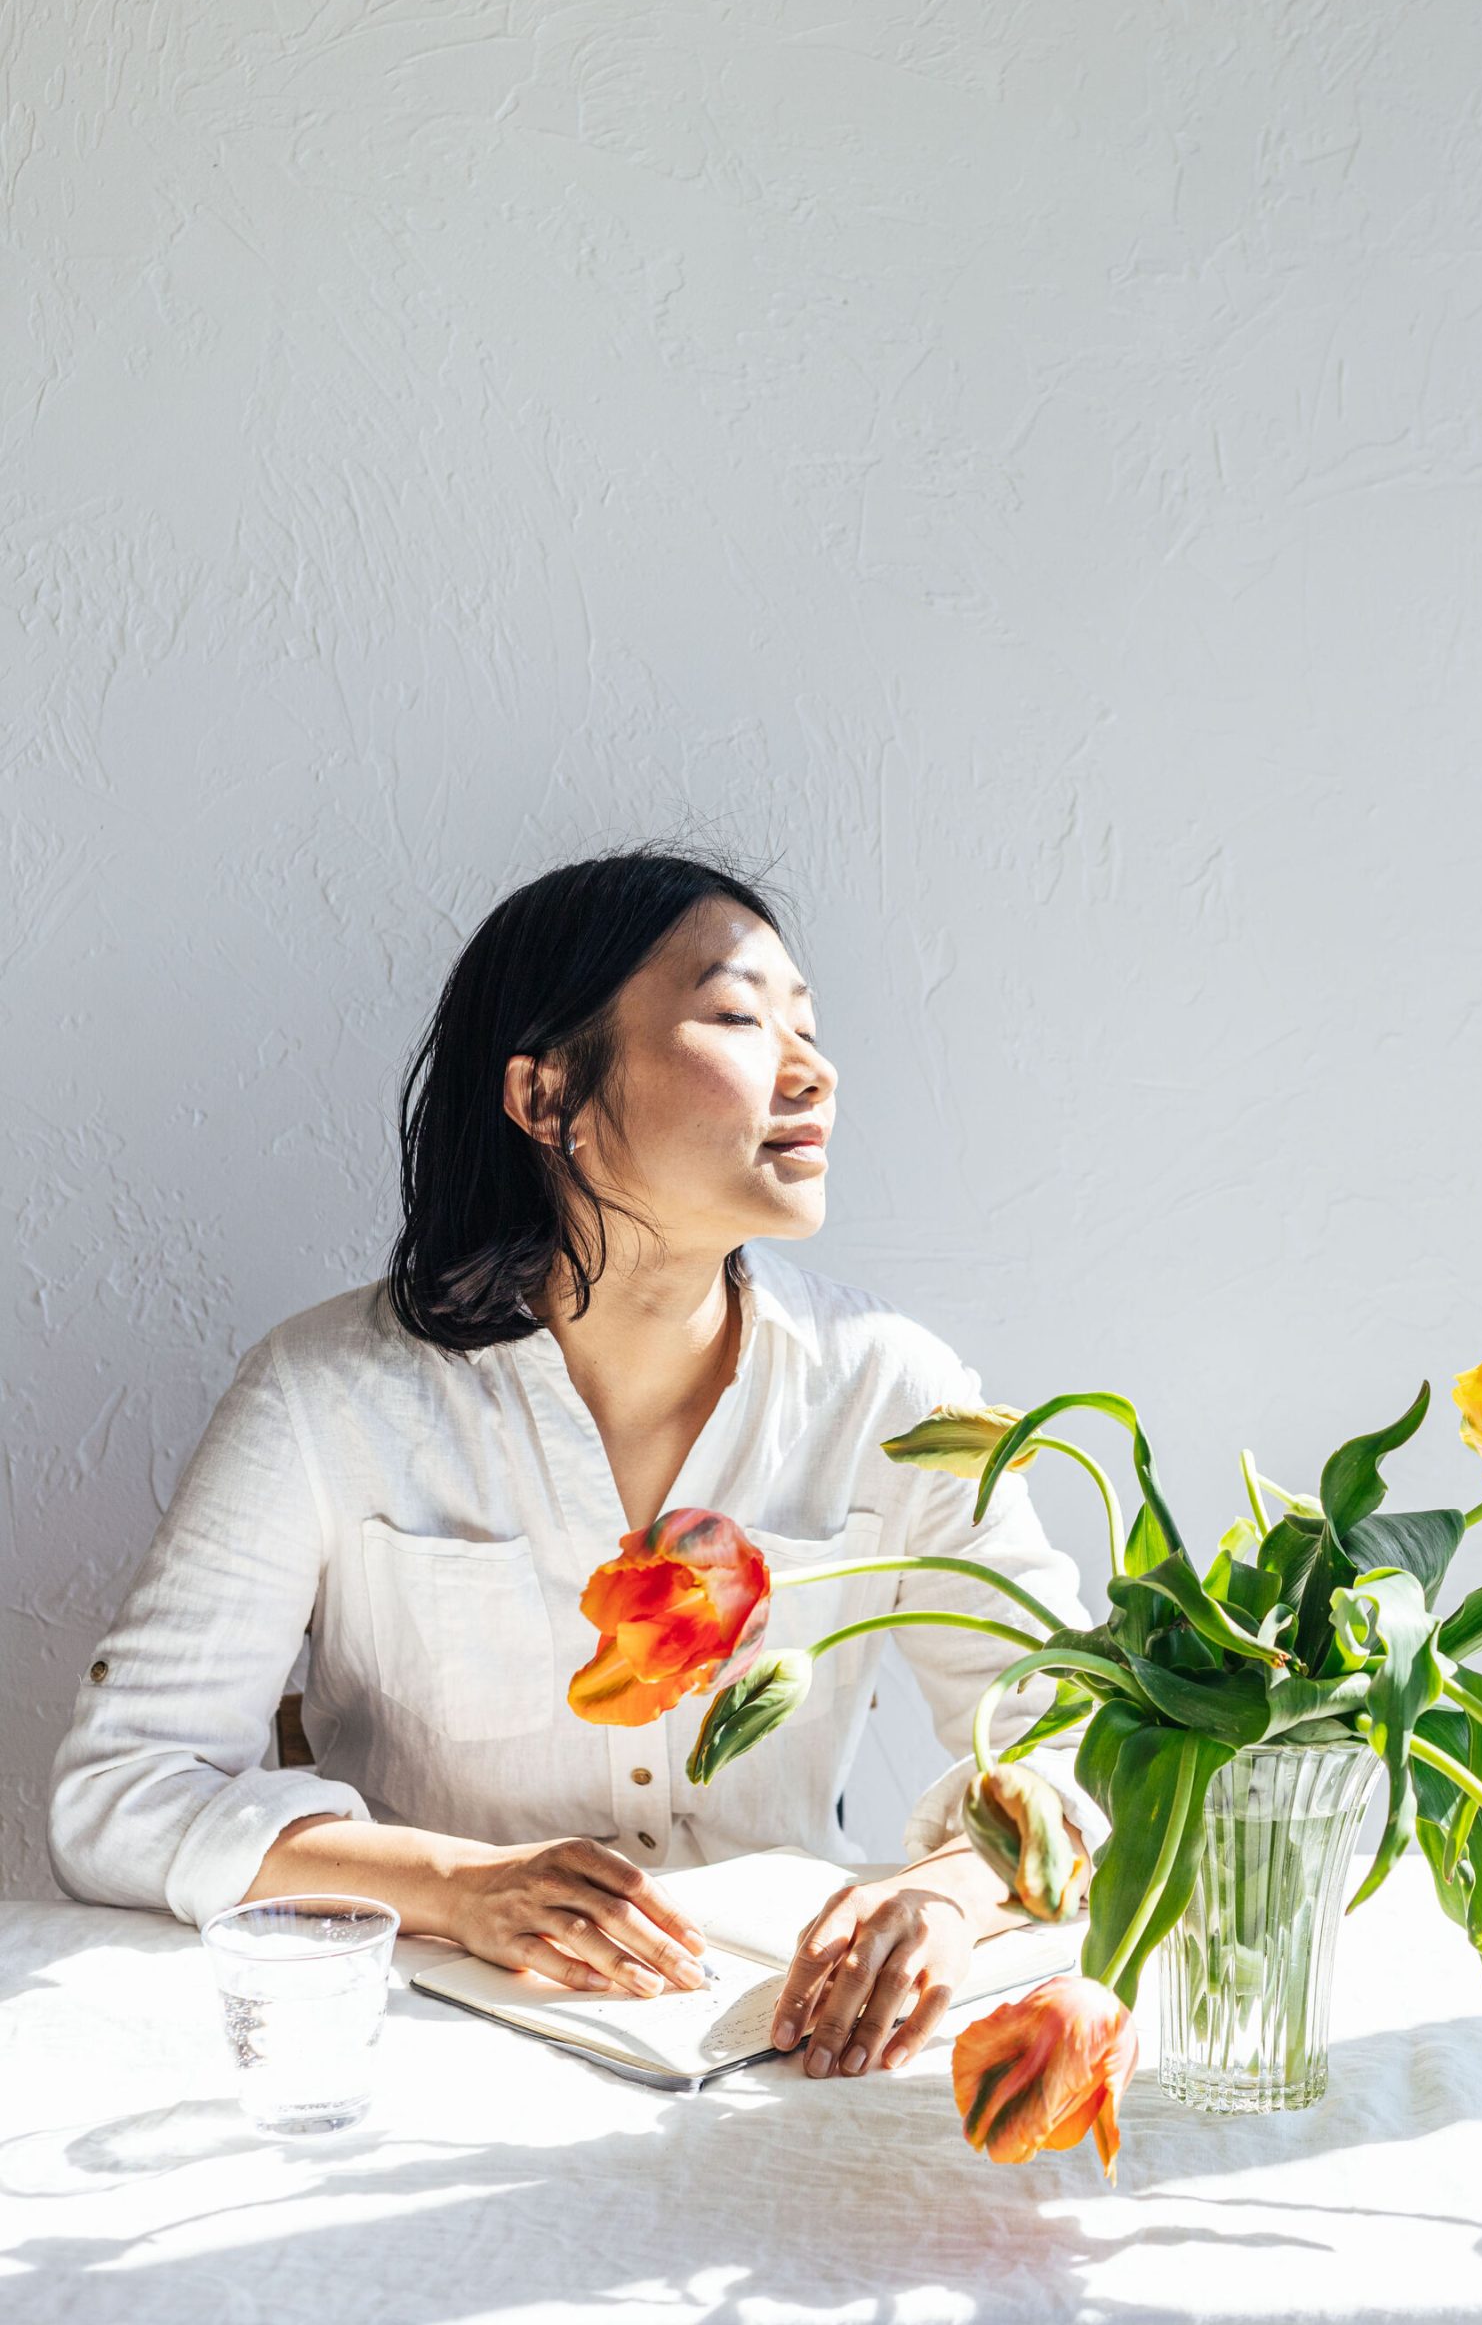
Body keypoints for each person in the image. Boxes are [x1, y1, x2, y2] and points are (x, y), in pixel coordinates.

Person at [47, 847, 1106, 2082]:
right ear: (548, 1099)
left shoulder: (893, 1388)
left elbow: (1077, 1736)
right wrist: (459, 1885)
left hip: (796, 2059)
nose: (811, 1071)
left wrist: (947, 1895)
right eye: (737, 1018)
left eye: (808, 1026)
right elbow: (121, 1788)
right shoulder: (324, 1394)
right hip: (437, 2052)